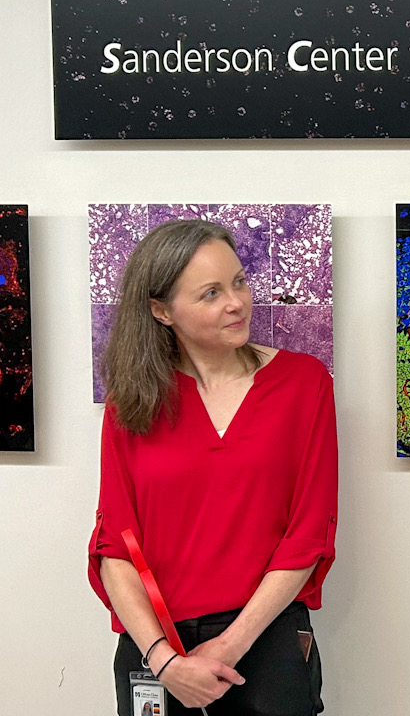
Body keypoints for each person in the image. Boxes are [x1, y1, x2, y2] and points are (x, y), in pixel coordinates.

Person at [89, 220, 338, 715]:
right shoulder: (132, 404)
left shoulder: (303, 383)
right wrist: (164, 662)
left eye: (239, 282)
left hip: (264, 641)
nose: (236, 303)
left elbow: (309, 534)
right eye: (210, 293)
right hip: (157, 646)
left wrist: (229, 646)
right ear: (161, 311)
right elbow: (114, 546)